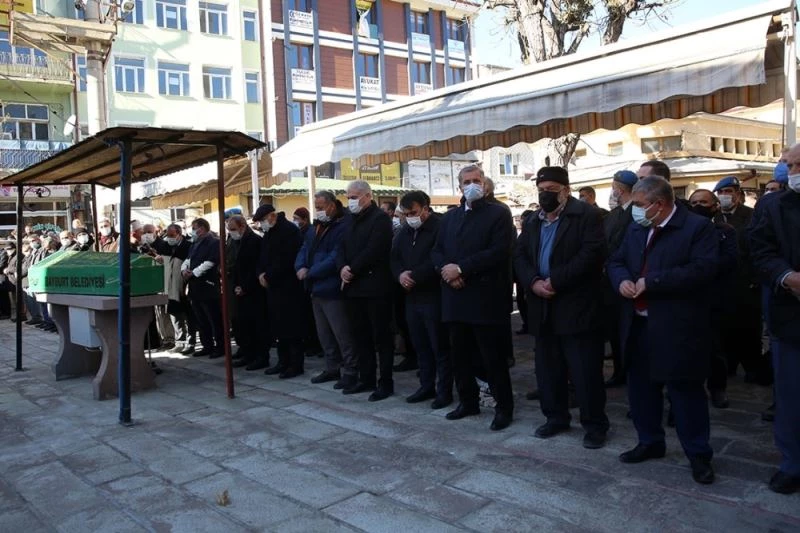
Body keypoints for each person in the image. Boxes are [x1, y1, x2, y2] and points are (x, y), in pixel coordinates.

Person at [608, 176, 718, 485]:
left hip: (677, 326)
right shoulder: (636, 227)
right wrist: (621, 281)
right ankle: (650, 441)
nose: (636, 211)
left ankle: (698, 455)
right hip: (638, 323)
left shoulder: (697, 228)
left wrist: (652, 283)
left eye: (641, 205)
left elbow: (703, 270)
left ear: (659, 204)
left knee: (685, 392)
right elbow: (616, 260)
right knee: (641, 390)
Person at [515, 166, 609, 448]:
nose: (546, 195)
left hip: (575, 305)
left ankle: (594, 425)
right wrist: (533, 282)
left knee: (585, 371)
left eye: (552, 191)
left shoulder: (587, 215)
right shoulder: (533, 220)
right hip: (542, 307)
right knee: (548, 369)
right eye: (542, 190)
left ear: (566, 191)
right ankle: (555, 417)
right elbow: (519, 255)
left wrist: (556, 281)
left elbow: (591, 255)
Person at [432, 164, 515, 431]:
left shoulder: (499, 214)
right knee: (460, 356)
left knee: (492, 358)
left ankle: (504, 408)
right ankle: (468, 401)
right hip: (454, 297)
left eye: (476, 180)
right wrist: (447, 272)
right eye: (466, 181)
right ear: (459, 186)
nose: (472, 185)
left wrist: (463, 268)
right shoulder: (449, 218)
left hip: (484, 298)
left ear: (485, 183)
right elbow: (437, 251)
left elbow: (499, 251)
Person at [749, 145, 800, 494]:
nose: (792, 171)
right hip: (790, 317)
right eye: (788, 164)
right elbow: (759, 250)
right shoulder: (773, 206)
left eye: (798, 164)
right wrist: (786, 276)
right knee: (791, 395)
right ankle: (793, 463)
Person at [391, 190, 453, 408]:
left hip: (434, 295)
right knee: (420, 345)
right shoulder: (405, 232)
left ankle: (444, 391)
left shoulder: (441, 227)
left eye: (413, 213)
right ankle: (426, 386)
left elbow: (439, 258)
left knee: (440, 346)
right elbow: (394, 257)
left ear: (426, 209)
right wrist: (400, 274)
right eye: (405, 214)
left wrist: (415, 276)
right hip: (411, 297)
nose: (410, 217)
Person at [337, 180, 395, 400]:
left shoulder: (380, 219)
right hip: (353, 288)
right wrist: (342, 267)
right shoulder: (348, 219)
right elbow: (340, 246)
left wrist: (352, 268)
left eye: (354, 196)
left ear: (368, 196)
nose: (350, 201)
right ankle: (366, 377)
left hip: (375, 286)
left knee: (381, 337)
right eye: (348, 197)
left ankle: (385, 382)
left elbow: (375, 249)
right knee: (360, 336)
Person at [296, 191, 356, 388]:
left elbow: (335, 256)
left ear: (332, 205)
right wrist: (300, 267)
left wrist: (311, 271)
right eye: (317, 207)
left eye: (321, 207)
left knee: (342, 333)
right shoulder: (316, 227)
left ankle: (350, 370)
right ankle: (332, 368)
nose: (318, 211)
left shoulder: (344, 225)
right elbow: (304, 248)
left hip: (332, 288)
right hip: (315, 288)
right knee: (324, 334)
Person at [711, 176, 767, 385]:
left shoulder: (751, 216)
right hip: (723, 284)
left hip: (747, 283)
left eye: (729, 192)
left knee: (749, 328)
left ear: (738, 194)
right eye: (721, 192)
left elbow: (758, 248)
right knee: (725, 327)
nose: (725, 196)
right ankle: (729, 364)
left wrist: (754, 278)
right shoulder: (714, 218)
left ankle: (753, 367)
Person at [688, 189, 738, 409]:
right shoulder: (682, 232)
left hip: (715, 298)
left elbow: (727, 262)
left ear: (715, 205)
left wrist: (702, 267)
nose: (699, 206)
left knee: (716, 349)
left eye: (704, 202)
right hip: (688, 299)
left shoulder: (725, 231)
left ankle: (718, 388)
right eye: (695, 202)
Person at [255, 204, 306, 379]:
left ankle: (295, 364)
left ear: (271, 216)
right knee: (278, 327)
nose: (261, 224)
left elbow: (287, 258)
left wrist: (269, 275)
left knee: (291, 327)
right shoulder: (269, 233)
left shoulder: (289, 231)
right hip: (273, 287)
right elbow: (263, 256)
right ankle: (282, 362)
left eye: (262, 220)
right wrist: (261, 273)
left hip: (288, 286)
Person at [603, 170, 637, 387]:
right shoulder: (612, 215)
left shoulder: (638, 212)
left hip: (630, 280)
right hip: (610, 281)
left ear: (620, 188)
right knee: (614, 329)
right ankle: (619, 370)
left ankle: (631, 372)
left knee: (630, 332)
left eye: (614, 186)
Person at [224, 215, 270, 371]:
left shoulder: (254, 241)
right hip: (238, 288)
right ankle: (248, 353)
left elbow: (254, 267)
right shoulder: (234, 240)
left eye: (233, 229)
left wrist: (244, 286)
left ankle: (260, 357)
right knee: (243, 324)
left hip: (253, 290)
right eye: (229, 230)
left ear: (243, 226)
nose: (231, 232)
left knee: (257, 325)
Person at [181, 218, 224, 358]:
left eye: (194, 228)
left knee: (213, 318)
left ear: (203, 228)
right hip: (195, 287)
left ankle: (220, 346)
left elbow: (211, 261)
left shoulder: (214, 242)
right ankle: (207, 345)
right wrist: (184, 270)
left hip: (208, 286)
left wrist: (194, 273)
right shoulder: (195, 243)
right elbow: (188, 259)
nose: (192, 231)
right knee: (201, 319)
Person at [154, 224, 196, 355]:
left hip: (184, 287)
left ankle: (191, 342)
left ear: (179, 233)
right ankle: (180, 342)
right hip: (170, 287)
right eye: (168, 235)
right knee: (174, 314)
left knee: (189, 316)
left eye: (172, 235)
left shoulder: (188, 246)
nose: (169, 238)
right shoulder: (165, 246)